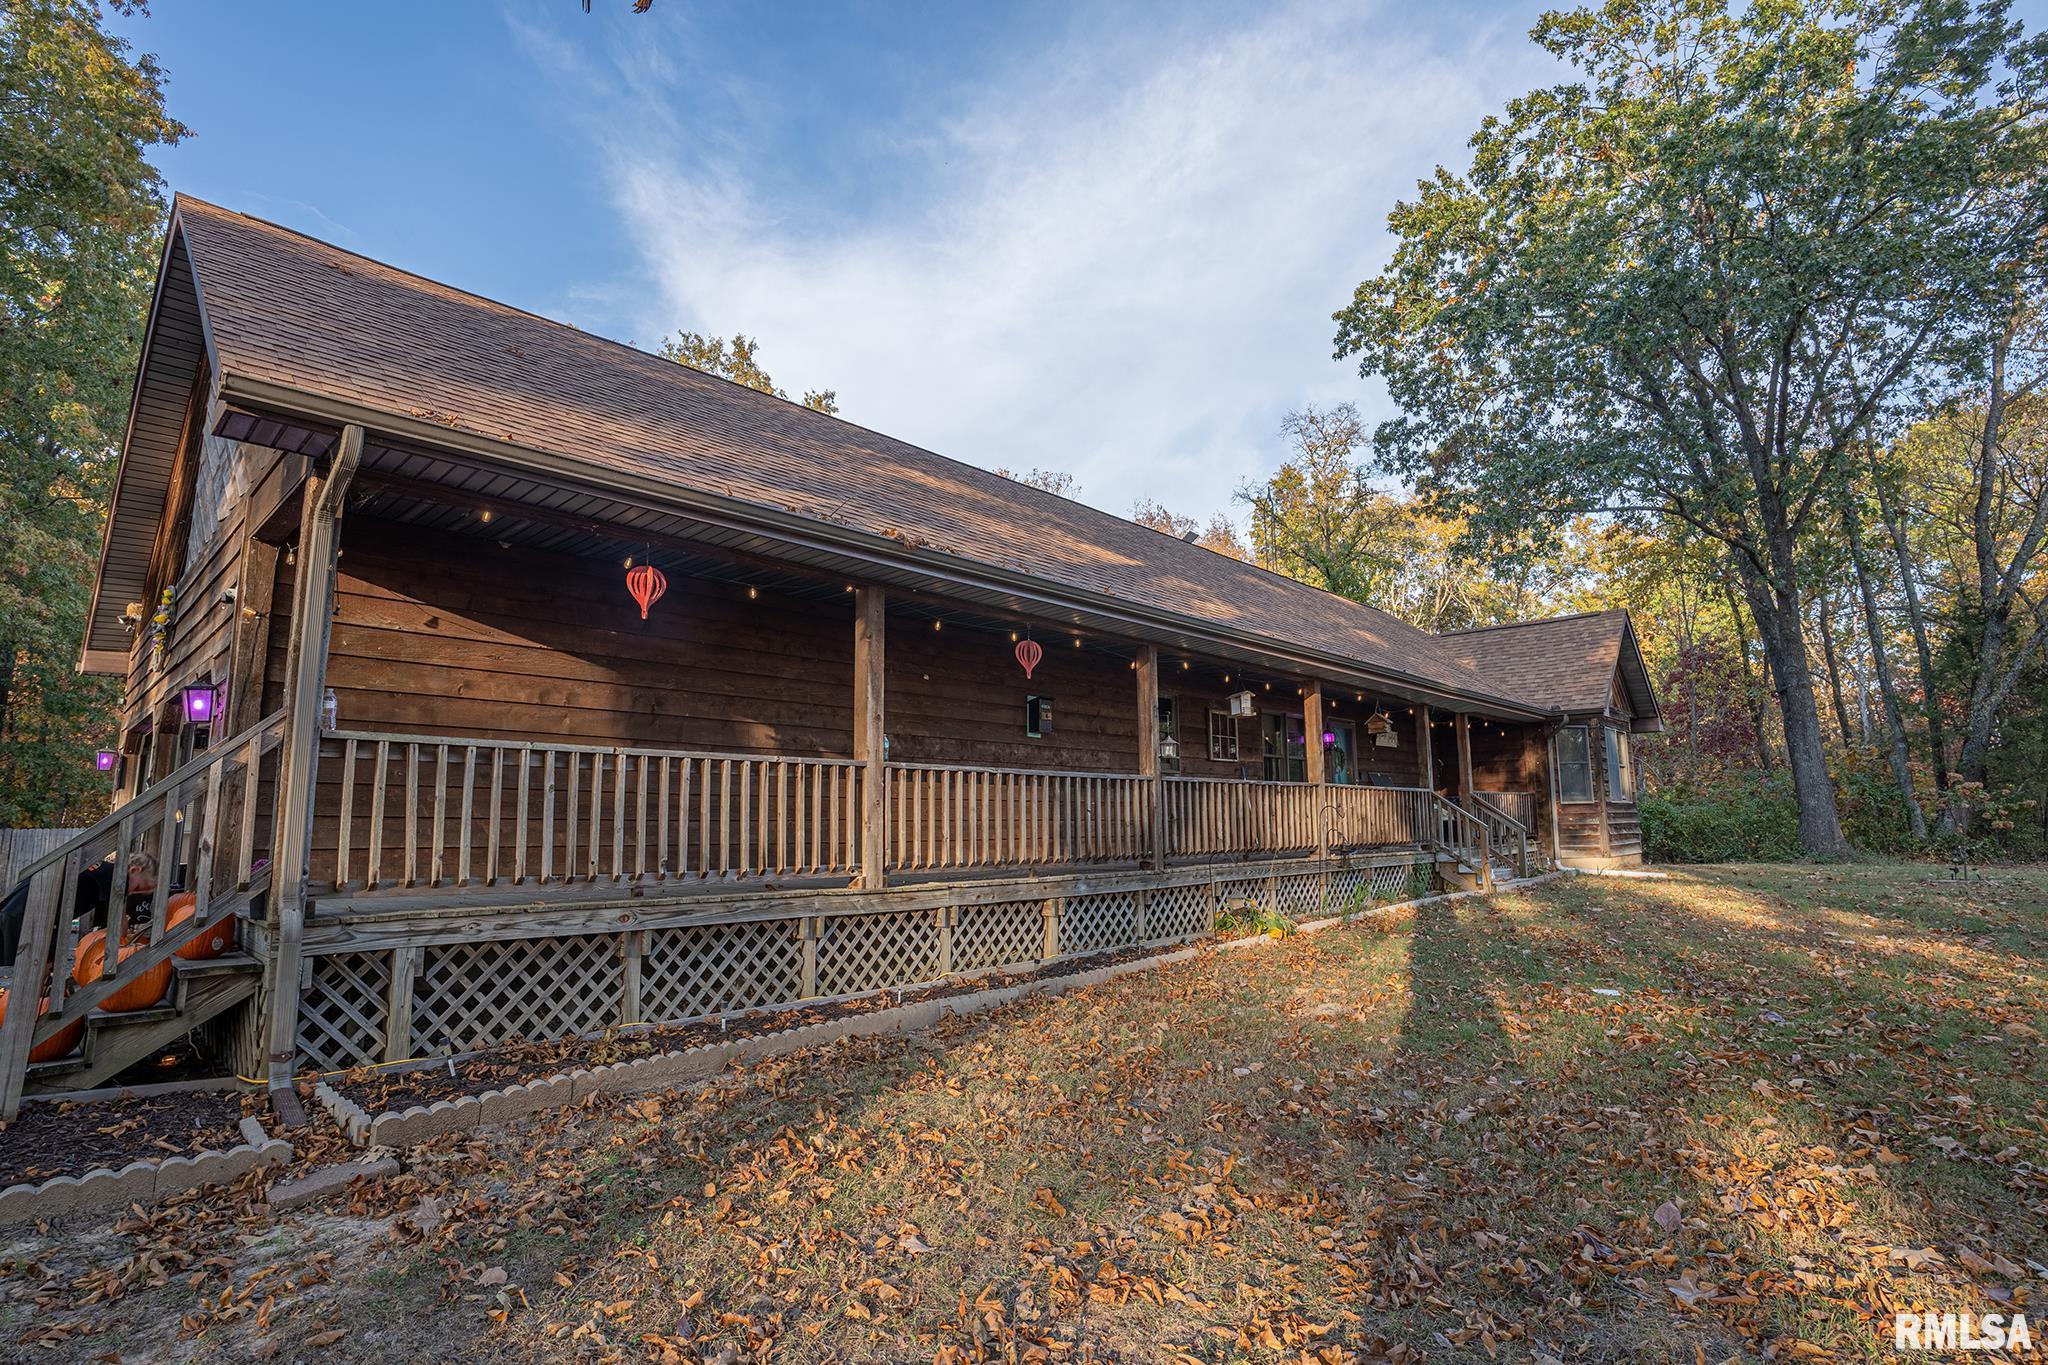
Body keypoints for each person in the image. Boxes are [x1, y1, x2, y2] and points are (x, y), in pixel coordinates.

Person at [0, 852, 158, 970]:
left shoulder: (103, 873)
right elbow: (119, 921)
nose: (130, 894)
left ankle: (37, 1004)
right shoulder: (113, 876)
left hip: (35, 913)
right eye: (136, 888)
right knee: (14, 970)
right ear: (134, 870)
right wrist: (125, 944)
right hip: (25, 912)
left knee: (44, 963)